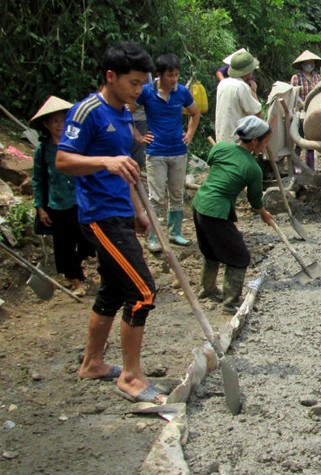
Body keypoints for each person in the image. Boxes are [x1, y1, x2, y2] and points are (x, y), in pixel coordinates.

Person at [56, 42, 164, 404]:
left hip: (120, 211)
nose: (138, 91)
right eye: (134, 83)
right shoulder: (87, 111)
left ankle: (93, 363)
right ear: (110, 76)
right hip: (99, 216)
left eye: (142, 85)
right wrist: (104, 162)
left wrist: (136, 210)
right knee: (143, 292)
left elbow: (126, 170)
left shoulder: (123, 114)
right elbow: (63, 160)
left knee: (115, 291)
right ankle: (131, 376)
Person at [192, 116, 273, 314]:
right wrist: (264, 213)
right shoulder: (253, 169)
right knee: (240, 257)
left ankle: (208, 289)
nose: (265, 146)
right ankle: (230, 303)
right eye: (265, 142)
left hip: (199, 204)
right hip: (215, 211)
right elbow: (255, 201)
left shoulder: (220, 149)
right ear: (254, 141)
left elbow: (213, 163)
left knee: (211, 250)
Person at [30, 96, 96, 297]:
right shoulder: (43, 151)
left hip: (80, 200)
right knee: (64, 244)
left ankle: (73, 267)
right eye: (55, 121)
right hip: (57, 205)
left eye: (63, 119)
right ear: (46, 124)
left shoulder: (76, 143)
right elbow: (38, 179)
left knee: (87, 240)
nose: (60, 125)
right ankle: (77, 280)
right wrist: (40, 207)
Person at [136, 53, 201, 252]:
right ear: (159, 75)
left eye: (176, 75)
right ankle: (153, 236)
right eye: (170, 75)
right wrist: (137, 137)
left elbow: (195, 112)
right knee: (155, 197)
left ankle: (175, 233)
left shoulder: (182, 92)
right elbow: (124, 112)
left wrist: (189, 134)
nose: (174, 79)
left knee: (177, 194)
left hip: (178, 151)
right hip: (156, 151)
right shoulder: (146, 92)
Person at [215, 50, 261, 144]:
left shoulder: (223, 83)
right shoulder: (242, 87)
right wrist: (254, 91)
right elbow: (257, 113)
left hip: (221, 139)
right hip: (236, 142)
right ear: (248, 71)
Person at [290, 50, 321, 171]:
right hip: (300, 111)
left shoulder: (318, 77)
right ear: (302, 64)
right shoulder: (297, 77)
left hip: (314, 110)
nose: (309, 65)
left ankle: (311, 166)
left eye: (311, 63)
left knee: (311, 138)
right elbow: (294, 94)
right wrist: (303, 103)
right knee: (299, 138)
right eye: (307, 63)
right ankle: (297, 166)